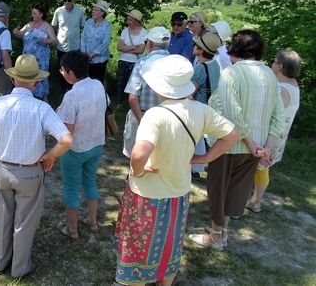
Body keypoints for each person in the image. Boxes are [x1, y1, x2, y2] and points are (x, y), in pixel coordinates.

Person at [115, 54, 239, 286]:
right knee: (169, 242)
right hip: (178, 191)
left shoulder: (155, 115)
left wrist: (137, 171)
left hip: (147, 194)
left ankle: (135, 281)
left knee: (138, 243)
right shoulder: (200, 110)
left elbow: (140, 153)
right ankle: (164, 281)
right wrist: (205, 157)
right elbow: (232, 134)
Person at [189, 30, 284, 250]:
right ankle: (223, 233)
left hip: (229, 144)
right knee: (237, 190)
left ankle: (216, 235)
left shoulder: (231, 74)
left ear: (235, 49)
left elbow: (233, 114)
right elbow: (278, 115)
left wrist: (253, 144)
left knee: (218, 188)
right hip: (256, 147)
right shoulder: (270, 75)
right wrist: (266, 148)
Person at [0, 54, 72, 278]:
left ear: (13, 80)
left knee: (3, 215)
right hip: (30, 172)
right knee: (25, 221)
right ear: (36, 82)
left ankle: (0, 262)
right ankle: (19, 268)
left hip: (1, 168)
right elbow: (67, 140)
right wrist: (50, 155)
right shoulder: (41, 108)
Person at [56, 51, 106, 240]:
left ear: (70, 73)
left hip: (75, 150)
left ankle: (72, 229)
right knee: (90, 182)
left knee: (71, 188)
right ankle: (93, 222)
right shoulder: (98, 85)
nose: (61, 72)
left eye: (62, 70)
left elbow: (67, 130)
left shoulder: (72, 95)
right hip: (96, 145)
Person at [247, 48, 302, 213]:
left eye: (275, 61)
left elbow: (271, 112)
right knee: (261, 168)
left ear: (280, 66)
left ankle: (256, 201)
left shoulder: (283, 89)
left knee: (261, 167)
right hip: (277, 135)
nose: (272, 63)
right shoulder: (291, 85)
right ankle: (254, 200)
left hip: (271, 137)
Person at [122, 26, 170, 158]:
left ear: (149, 44)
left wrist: (141, 120)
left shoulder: (142, 63)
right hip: (168, 119)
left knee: (137, 159)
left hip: (143, 115)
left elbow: (132, 97)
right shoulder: (176, 63)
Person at [189, 31, 223, 178]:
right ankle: (199, 167)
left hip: (199, 108)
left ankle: (194, 168)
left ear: (201, 50)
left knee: (195, 139)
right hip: (210, 108)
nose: (194, 46)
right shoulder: (215, 65)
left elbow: (190, 92)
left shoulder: (200, 68)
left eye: (196, 44)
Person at [12, 3, 57, 100]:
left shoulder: (47, 27)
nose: (32, 15)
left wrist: (47, 40)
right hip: (27, 59)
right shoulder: (29, 24)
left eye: (35, 13)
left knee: (40, 79)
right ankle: (27, 97)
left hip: (40, 60)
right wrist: (16, 32)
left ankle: (41, 99)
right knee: (27, 78)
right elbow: (20, 34)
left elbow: (54, 42)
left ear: (41, 14)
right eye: (32, 13)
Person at [52, 0, 85, 92]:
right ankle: (62, 87)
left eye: (69, 0)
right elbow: (54, 25)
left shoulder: (80, 12)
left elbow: (83, 26)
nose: (66, 2)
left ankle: (73, 88)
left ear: (74, 1)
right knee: (62, 67)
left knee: (74, 67)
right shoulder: (58, 11)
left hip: (74, 44)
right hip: (62, 44)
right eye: (65, 0)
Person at [115, 9, 147, 107]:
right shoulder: (125, 31)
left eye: (130, 20)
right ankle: (119, 103)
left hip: (136, 62)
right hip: (123, 60)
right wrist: (133, 47)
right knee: (121, 83)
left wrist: (126, 48)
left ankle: (133, 103)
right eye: (128, 19)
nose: (127, 22)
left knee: (134, 84)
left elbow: (141, 50)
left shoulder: (144, 32)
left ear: (137, 21)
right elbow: (119, 47)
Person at [80, 0, 112, 84]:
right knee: (86, 81)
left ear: (102, 13)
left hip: (100, 60)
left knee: (98, 82)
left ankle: (98, 96)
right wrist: (84, 53)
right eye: (93, 9)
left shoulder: (107, 25)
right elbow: (83, 38)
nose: (93, 11)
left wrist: (93, 54)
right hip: (86, 58)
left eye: (96, 10)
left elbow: (105, 43)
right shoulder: (88, 22)